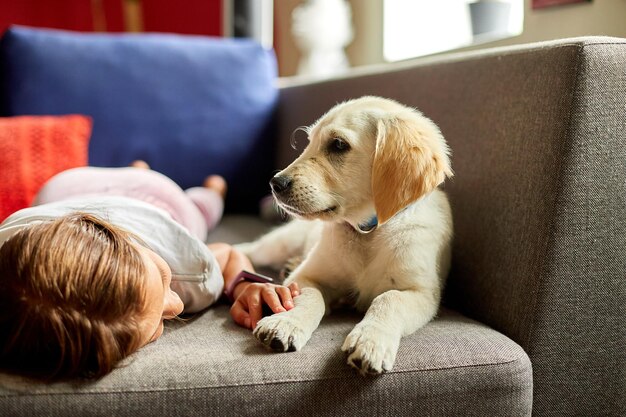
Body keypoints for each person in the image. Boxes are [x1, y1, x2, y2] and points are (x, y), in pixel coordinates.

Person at [0, 163, 298, 381]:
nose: (177, 305)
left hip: (161, 197)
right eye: (157, 324)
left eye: (165, 279)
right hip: (67, 184)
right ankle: (137, 170)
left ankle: (214, 190)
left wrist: (244, 284)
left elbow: (229, 253)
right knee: (139, 180)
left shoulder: (187, 269)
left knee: (201, 211)